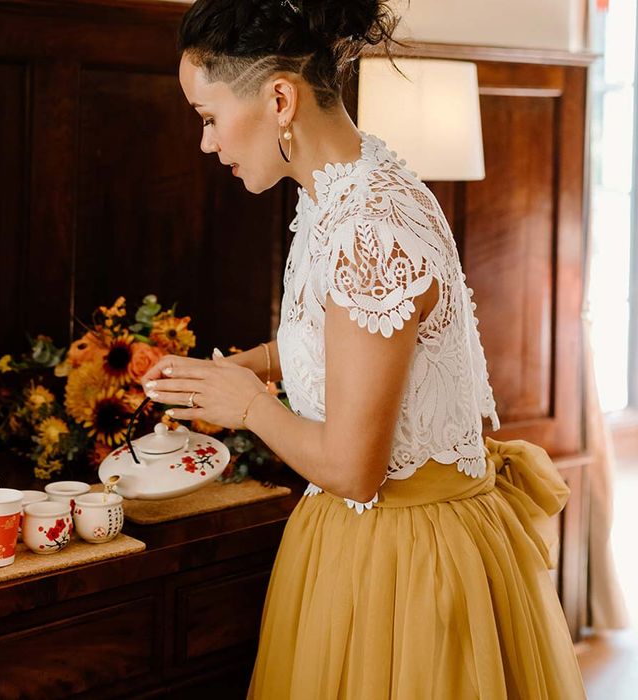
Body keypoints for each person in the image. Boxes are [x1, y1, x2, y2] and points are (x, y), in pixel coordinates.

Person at [140, 0, 589, 697]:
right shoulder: (344, 194)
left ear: (279, 98)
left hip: (407, 560)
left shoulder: (368, 226)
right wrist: (242, 367)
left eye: (207, 117)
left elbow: (354, 470)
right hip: (374, 539)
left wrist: (249, 405)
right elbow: (352, 341)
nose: (207, 143)